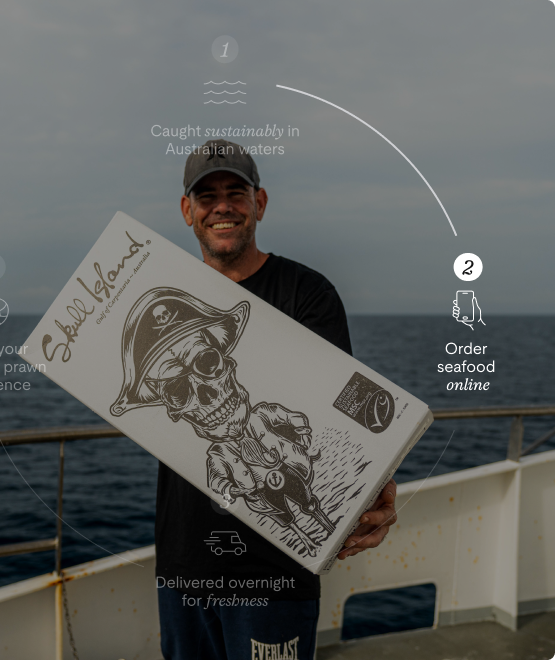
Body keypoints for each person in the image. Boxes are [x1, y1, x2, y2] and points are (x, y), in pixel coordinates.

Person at [155, 139, 398, 660]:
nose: (222, 206)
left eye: (235, 193)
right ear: (187, 211)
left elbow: (345, 415)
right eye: (207, 195)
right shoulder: (165, 305)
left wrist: (375, 481)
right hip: (184, 567)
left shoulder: (307, 294)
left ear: (259, 203)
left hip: (279, 573)